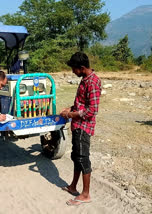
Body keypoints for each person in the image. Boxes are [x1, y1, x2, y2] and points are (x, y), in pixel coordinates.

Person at [60, 52, 101, 206]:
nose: (73, 71)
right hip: (77, 126)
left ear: (82, 67)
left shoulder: (93, 82)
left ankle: (85, 194)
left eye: (74, 69)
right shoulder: (85, 79)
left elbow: (92, 110)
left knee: (83, 159)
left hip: (84, 127)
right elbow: (82, 104)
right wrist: (70, 108)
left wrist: (72, 114)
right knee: (76, 157)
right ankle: (73, 186)